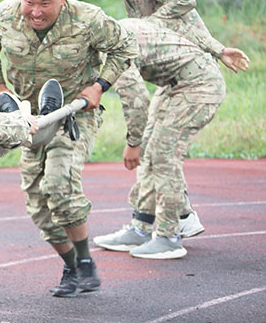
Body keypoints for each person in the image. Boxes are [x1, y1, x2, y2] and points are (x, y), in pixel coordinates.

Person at [0, 0, 138, 298]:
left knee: (59, 184)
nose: (36, 10)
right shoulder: (1, 16)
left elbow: (125, 47)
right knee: (37, 203)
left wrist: (99, 86)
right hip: (27, 119)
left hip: (74, 115)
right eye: (29, 0)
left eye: (45, 2)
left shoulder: (88, 19)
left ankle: (87, 262)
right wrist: (1, 87)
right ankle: (73, 265)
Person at [76, 0, 251, 235]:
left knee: (160, 151)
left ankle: (173, 227)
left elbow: (185, 1)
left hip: (194, 78)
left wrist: (215, 50)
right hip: (175, 77)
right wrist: (218, 49)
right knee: (152, 148)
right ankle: (160, 220)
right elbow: (178, 31)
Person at [94, 18, 248, 259]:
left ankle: (169, 236)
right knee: (151, 152)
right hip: (173, 85)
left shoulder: (112, 46)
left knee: (163, 154)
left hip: (199, 85)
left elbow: (136, 99)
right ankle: (141, 227)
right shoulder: (107, 28)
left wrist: (133, 143)